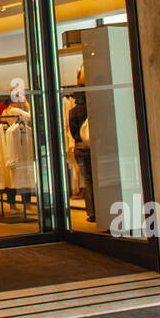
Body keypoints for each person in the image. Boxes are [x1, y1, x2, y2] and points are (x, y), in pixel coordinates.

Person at [67, 90, 94, 223]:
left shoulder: (72, 112)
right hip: (92, 148)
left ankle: (91, 212)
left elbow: (72, 131)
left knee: (88, 180)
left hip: (79, 147)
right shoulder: (91, 109)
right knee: (98, 180)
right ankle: (100, 210)